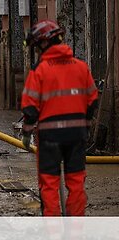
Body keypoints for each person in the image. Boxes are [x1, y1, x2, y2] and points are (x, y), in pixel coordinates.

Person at [21, 20, 98, 216]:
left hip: (49, 137)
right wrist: (85, 127)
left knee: (49, 185)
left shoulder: (40, 70)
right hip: (76, 135)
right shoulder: (81, 67)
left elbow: (30, 108)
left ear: (45, 44)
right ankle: (75, 237)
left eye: (37, 47)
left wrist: (26, 132)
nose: (37, 51)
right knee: (76, 183)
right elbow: (92, 100)